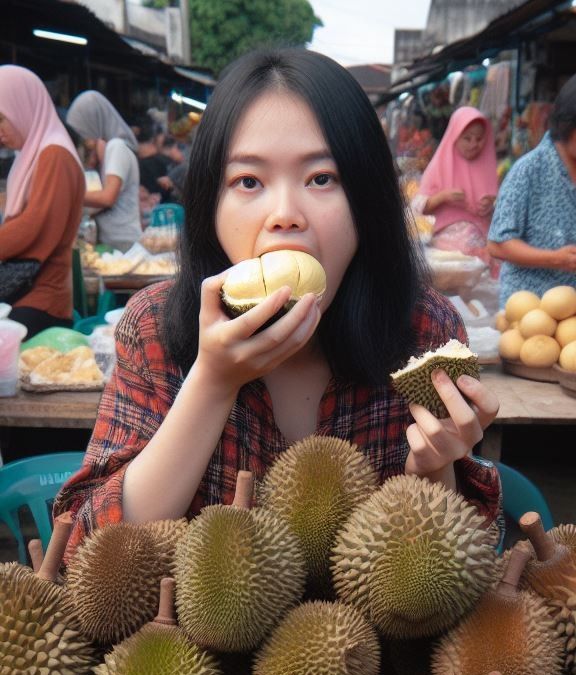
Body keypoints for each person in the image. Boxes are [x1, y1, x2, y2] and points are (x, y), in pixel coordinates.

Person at [54, 48, 501, 558]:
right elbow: (81, 554)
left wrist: (436, 468)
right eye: (248, 182)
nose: (285, 214)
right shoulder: (153, 326)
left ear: (367, 202)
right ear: (210, 206)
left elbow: (458, 571)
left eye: (322, 179)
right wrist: (212, 381)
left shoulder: (426, 332)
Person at [0, 65, 85, 335]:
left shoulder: (55, 155)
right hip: (26, 292)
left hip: (42, 300)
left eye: (1, 118)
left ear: (22, 106)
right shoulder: (33, 155)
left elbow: (34, 227)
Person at [488, 74, 576, 303]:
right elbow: (498, 244)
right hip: (529, 307)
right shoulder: (528, 169)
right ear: (569, 124)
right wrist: (555, 259)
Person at [413, 107, 498, 259]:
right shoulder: (439, 166)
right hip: (448, 256)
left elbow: (497, 211)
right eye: (467, 138)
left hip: (482, 254)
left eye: (479, 139)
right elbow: (418, 208)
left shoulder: (487, 166)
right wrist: (443, 197)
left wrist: (488, 206)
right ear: (455, 136)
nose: (474, 144)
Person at [66, 91, 141, 251]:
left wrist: (67, 195)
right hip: (114, 241)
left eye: (84, 130)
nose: (86, 139)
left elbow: (107, 197)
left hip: (122, 243)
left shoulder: (117, 147)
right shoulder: (109, 150)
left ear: (94, 122)